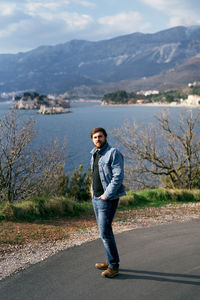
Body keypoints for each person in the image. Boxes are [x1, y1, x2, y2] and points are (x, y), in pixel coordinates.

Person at [90, 127, 126, 278]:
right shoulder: (94, 154)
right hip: (96, 198)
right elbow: (94, 174)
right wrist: (92, 190)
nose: (98, 139)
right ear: (92, 140)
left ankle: (113, 266)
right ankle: (110, 260)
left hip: (107, 199)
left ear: (105, 137)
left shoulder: (113, 153)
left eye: (100, 136)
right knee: (105, 232)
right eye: (95, 137)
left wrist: (106, 195)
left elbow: (118, 176)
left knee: (105, 232)